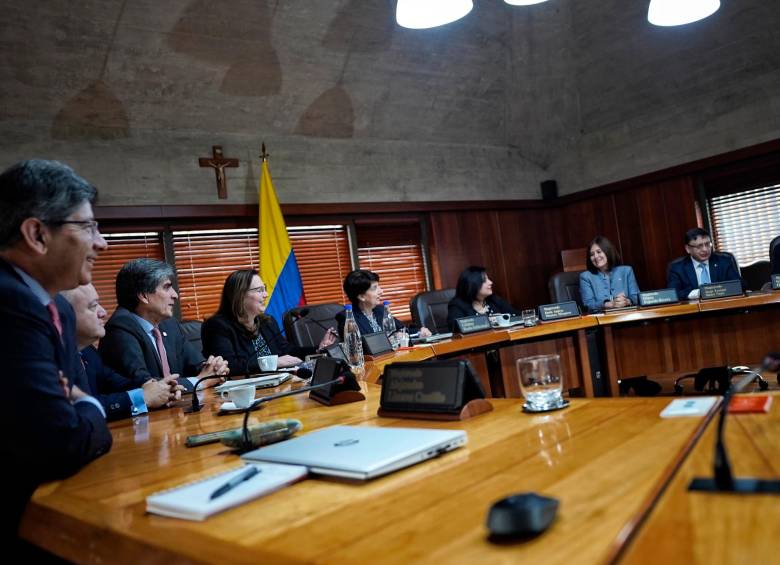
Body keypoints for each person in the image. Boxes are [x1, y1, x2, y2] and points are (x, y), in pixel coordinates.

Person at [0, 160, 113, 542]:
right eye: (88, 227)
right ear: (37, 234)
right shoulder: (11, 304)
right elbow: (59, 444)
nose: (102, 242)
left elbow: (68, 406)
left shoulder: (56, 306)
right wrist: (90, 407)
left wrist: (76, 405)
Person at [99, 258, 229, 392]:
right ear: (143, 295)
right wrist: (201, 381)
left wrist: (213, 368)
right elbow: (146, 385)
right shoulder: (120, 329)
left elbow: (195, 363)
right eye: (167, 287)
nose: (175, 295)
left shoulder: (169, 324)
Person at [62, 284, 183, 421]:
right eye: (93, 306)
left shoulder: (87, 351)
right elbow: (77, 407)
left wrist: (160, 387)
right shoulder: (52, 358)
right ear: (64, 315)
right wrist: (142, 397)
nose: (103, 313)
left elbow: (116, 383)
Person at [202, 269, 337, 375]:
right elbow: (229, 365)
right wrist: (273, 362)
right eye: (259, 290)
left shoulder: (267, 321)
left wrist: (318, 349)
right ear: (240, 295)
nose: (265, 295)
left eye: (264, 288)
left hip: (278, 384)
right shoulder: (217, 326)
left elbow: (287, 351)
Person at [335, 269, 432, 339]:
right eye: (374, 288)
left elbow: (402, 329)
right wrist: (393, 338)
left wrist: (419, 332)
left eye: (379, 287)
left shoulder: (380, 310)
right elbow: (363, 346)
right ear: (361, 297)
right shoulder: (347, 319)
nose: (381, 291)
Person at [667, 228, 744, 300]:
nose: (705, 249)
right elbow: (673, 294)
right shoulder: (677, 268)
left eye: (707, 244)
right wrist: (699, 293)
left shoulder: (723, 261)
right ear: (688, 249)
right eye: (699, 246)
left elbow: (741, 285)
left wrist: (714, 291)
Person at [447, 266, 519, 330]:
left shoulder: (493, 299)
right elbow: (456, 327)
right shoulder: (457, 305)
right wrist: (492, 320)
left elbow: (516, 316)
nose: (491, 282)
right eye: (484, 280)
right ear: (473, 284)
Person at [579, 235, 640, 311]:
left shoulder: (626, 271)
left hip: (628, 316)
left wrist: (626, 301)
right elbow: (588, 304)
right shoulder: (585, 277)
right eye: (592, 254)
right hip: (603, 320)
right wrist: (609, 304)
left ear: (608, 251)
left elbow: (636, 297)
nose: (595, 256)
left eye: (599, 252)